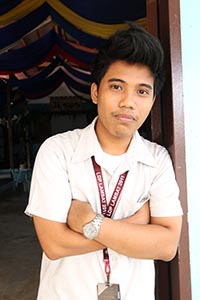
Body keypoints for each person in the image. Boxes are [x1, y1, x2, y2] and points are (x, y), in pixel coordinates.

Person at [25, 23, 183, 300]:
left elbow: (167, 246)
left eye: (142, 91)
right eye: (117, 86)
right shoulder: (58, 151)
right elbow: (54, 244)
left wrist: (91, 222)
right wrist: (135, 227)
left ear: (152, 100)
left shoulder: (157, 161)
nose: (128, 102)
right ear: (96, 92)